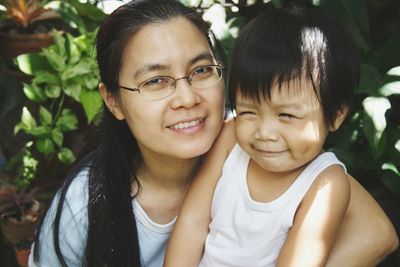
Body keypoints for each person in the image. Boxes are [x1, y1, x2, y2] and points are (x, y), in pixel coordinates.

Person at [29, 0, 398, 266]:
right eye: (156, 80)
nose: (187, 98)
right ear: (113, 101)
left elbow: (377, 233)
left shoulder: (261, 139)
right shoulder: (85, 204)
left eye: (202, 71)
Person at [164, 5, 398, 267]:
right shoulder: (230, 138)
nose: (265, 133)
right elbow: (193, 221)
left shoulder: (326, 183)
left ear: (335, 116)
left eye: (286, 116)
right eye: (249, 112)